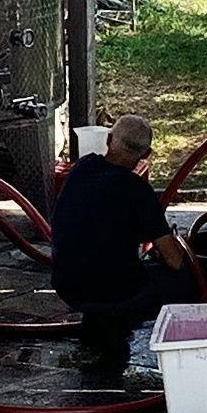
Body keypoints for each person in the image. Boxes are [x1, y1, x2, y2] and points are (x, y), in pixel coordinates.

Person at [49, 117, 174, 379]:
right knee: (181, 280)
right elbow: (175, 260)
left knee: (104, 263)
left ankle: (98, 320)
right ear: (146, 155)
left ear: (108, 141)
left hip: (66, 283)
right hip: (115, 291)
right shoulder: (138, 192)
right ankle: (118, 320)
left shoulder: (82, 168)